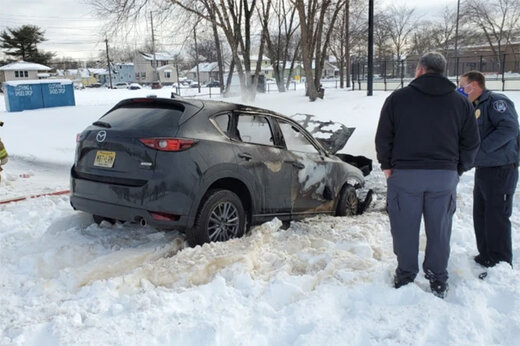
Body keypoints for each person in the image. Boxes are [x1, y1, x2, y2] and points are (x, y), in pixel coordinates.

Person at [375, 52, 480, 298]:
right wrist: (459, 168)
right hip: (444, 176)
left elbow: (384, 137)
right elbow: (472, 143)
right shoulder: (461, 102)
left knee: (404, 227)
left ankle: (405, 275)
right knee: (440, 229)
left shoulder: (398, 99)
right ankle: (437, 278)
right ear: (443, 71)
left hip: (405, 175)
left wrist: (387, 165)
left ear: (420, 70)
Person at [458, 71, 519, 268]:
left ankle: (500, 261)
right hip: (484, 169)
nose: (460, 89)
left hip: (501, 169)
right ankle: (485, 254)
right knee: (481, 214)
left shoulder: (496, 102)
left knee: (497, 217)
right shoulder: (475, 106)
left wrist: (481, 149)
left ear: (474, 85)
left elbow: (509, 128)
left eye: (462, 85)